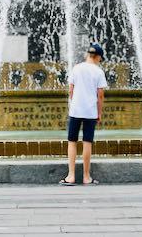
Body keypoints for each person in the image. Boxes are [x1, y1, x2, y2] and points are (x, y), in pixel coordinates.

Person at [60, 43, 107, 186]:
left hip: (75, 110)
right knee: (87, 142)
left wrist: (74, 104)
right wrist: (99, 113)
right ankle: (86, 177)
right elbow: (100, 96)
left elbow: (71, 91)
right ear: (98, 57)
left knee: (72, 142)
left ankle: (71, 176)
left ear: (88, 54)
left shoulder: (76, 68)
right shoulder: (98, 72)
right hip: (90, 111)